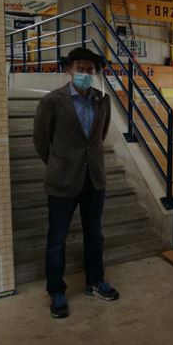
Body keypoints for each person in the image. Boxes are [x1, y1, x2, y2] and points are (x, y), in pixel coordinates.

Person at [33, 47, 119, 319]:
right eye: (79, 68)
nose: (85, 73)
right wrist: (59, 165)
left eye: (89, 69)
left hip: (94, 179)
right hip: (62, 181)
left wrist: (87, 161)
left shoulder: (102, 100)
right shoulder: (52, 101)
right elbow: (41, 141)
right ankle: (56, 291)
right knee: (57, 240)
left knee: (95, 235)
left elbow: (98, 138)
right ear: (69, 69)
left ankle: (95, 281)